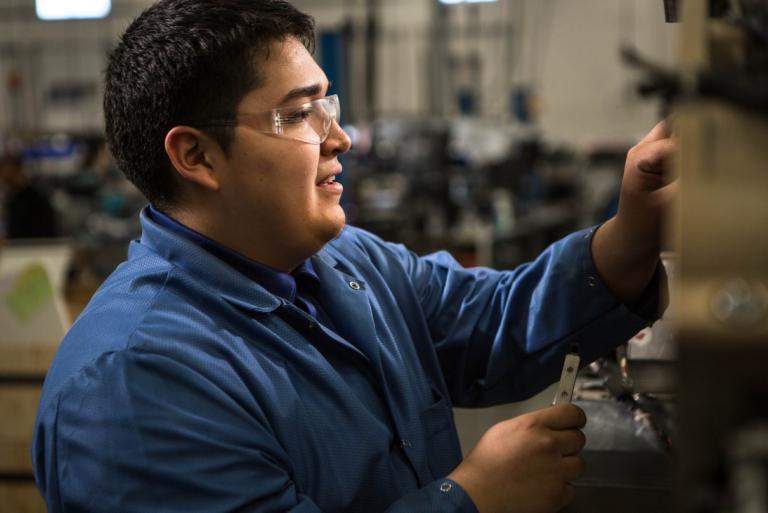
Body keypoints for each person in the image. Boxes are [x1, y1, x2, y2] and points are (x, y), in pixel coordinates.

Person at [32, 1, 674, 512]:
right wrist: (474, 499)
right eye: (301, 114)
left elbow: (492, 321)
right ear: (196, 156)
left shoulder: (347, 262)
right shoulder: (136, 380)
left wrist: (636, 225)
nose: (339, 138)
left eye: (327, 106)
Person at [0, 153, 57, 239]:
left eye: (3, 171)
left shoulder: (35, 197)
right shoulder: (13, 197)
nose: (2, 177)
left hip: (34, 248)